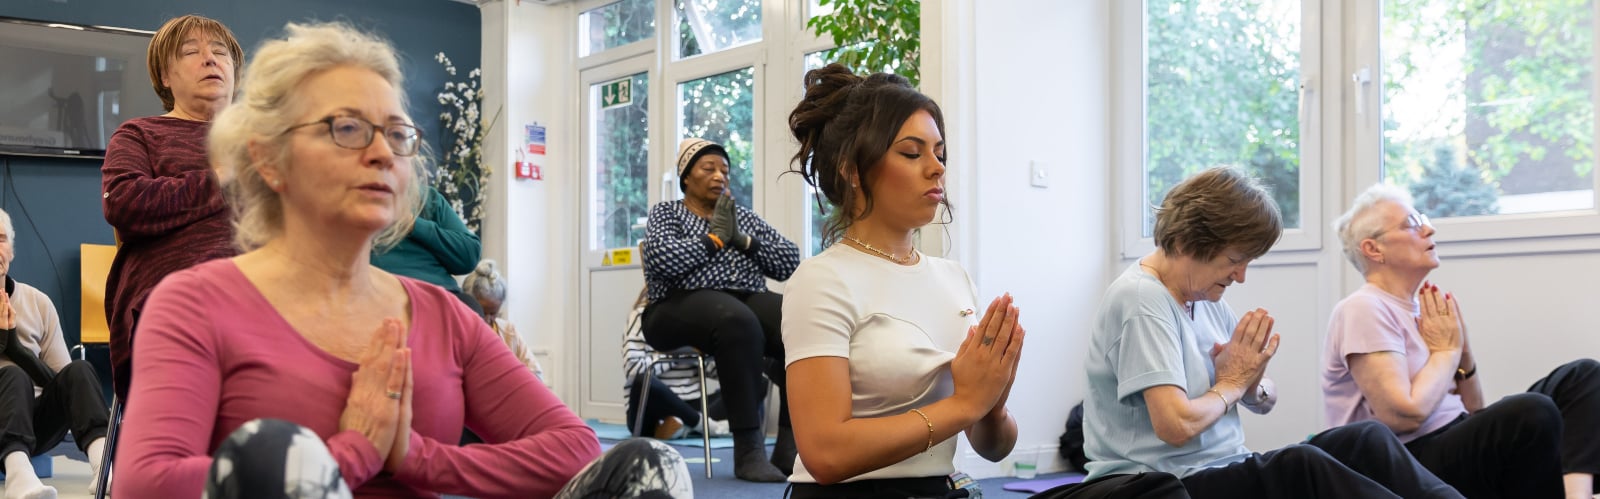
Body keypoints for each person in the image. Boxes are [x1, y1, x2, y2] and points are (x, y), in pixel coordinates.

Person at [114, 21, 691, 498]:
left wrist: (415, 457)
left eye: (397, 133)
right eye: (347, 128)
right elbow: (146, 484)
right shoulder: (194, 304)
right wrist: (354, 453)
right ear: (268, 160)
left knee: (648, 471)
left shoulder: (444, 314)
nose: (382, 152)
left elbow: (574, 447)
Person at [1083, 166, 1462, 499]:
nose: (1241, 276)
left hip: (1222, 465)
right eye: (1234, 261)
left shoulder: (1205, 299)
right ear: (1185, 243)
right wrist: (1231, 384)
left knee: (1366, 438)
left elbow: (1262, 397)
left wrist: (1251, 383)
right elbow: (1176, 425)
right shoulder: (1141, 299)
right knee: (1302, 465)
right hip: (1160, 483)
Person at [779, 63, 1023, 498]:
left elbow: (994, 447)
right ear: (854, 170)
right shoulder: (822, 281)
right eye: (913, 153)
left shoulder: (955, 278)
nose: (936, 169)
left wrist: (991, 401)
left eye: (940, 153)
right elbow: (825, 454)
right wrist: (964, 404)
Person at [1325, 183, 1599, 499]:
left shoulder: (1428, 309)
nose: (1429, 228)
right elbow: (1403, 416)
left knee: (1581, 377)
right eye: (1411, 224)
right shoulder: (1362, 308)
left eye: (1422, 218)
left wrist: (1463, 357)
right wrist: (1446, 351)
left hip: (1451, 436)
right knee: (1531, 412)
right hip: (1403, 461)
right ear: (1374, 249)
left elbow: (1474, 408)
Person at [641, 137, 801, 482]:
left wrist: (743, 240)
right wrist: (712, 240)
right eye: (708, 167)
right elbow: (662, 259)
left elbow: (789, 259)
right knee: (737, 321)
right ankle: (748, 451)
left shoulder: (740, 217)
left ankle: (790, 445)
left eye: (724, 170)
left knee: (801, 319)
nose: (719, 175)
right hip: (673, 304)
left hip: (741, 299)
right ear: (686, 176)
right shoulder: (668, 213)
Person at [101, 13, 243, 400]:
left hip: (271, 293)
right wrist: (220, 177)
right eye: (192, 52)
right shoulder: (140, 134)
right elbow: (125, 204)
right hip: (179, 299)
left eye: (220, 52)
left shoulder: (268, 143)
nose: (211, 59)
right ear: (165, 76)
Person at [0, 209, 111, 498]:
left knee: (79, 371)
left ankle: (103, 466)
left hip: (35, 426)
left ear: (11, 251)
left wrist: (16, 349)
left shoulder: (38, 303)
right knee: (12, 376)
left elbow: (60, 382)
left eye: (0, 239)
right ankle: (18, 474)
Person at [621, 289, 729, 440]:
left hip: (692, 403)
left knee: (754, 382)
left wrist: (709, 351)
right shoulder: (641, 317)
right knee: (643, 381)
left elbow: (717, 373)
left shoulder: (696, 317)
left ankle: (685, 426)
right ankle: (703, 425)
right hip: (653, 410)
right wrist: (677, 354)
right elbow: (633, 369)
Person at [372, 185, 483, 315]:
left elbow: (469, 255)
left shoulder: (425, 197)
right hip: (387, 295)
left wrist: (413, 225)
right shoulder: (351, 202)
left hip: (444, 294)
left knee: (470, 309)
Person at [461, 259, 543, 382]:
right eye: (483, 313)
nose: (488, 320)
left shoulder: (509, 332)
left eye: (493, 313)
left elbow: (536, 375)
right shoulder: (459, 334)